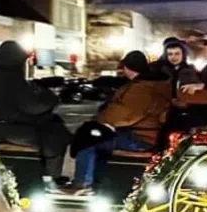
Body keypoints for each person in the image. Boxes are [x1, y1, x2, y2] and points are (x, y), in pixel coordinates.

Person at [67, 51, 171, 195]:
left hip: (140, 138)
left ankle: (82, 183)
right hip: (143, 133)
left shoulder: (142, 88)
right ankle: (94, 181)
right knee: (93, 134)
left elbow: (125, 113)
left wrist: (101, 120)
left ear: (128, 68)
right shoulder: (149, 84)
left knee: (89, 139)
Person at [0, 41, 71, 185]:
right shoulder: (12, 79)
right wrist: (50, 99)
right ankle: (50, 178)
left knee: (53, 129)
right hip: (14, 130)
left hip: (5, 127)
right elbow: (32, 106)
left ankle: (49, 175)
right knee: (56, 136)